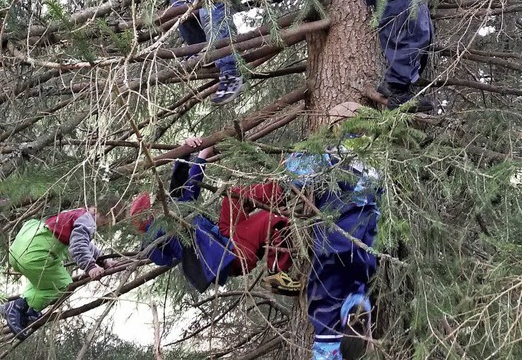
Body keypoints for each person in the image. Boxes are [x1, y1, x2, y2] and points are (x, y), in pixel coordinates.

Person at [130, 139, 300, 295]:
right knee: (270, 218)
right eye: (154, 203)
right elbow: (186, 193)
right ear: (150, 214)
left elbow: (180, 190)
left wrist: (186, 151)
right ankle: (279, 273)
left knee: (233, 196)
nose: (160, 199)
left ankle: (282, 190)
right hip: (232, 254)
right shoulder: (161, 229)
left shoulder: (170, 215)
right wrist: (201, 155)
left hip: (224, 237)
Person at [284, 101, 381, 360]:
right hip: (367, 244)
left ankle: (328, 349)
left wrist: (306, 149)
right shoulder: (375, 163)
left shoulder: (330, 156)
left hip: (334, 241)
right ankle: (356, 304)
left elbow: (295, 172)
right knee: (356, 281)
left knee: (325, 296)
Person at [1, 195, 123, 340]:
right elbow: (78, 246)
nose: (103, 226)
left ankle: (27, 310)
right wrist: (90, 267)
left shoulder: (77, 214)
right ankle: (18, 307)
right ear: (97, 210)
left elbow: (85, 243)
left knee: (42, 283)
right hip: (35, 252)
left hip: (21, 248)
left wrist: (103, 262)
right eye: (105, 222)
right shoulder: (88, 220)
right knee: (63, 284)